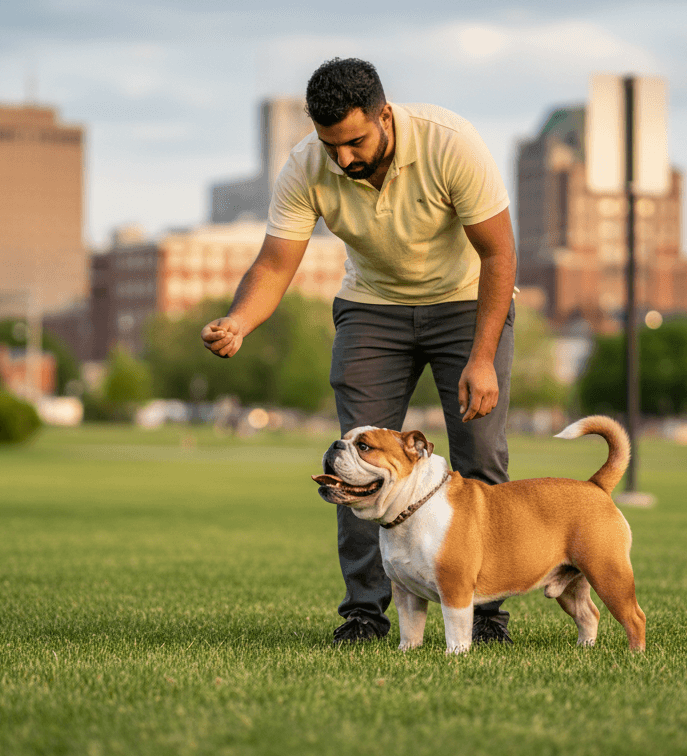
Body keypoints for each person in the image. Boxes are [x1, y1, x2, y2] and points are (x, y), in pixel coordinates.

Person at [201, 58, 517, 645]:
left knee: (480, 455)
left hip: (465, 303)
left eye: (354, 141)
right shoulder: (305, 166)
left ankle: (485, 613)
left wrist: (482, 357)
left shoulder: (452, 145)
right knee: (356, 464)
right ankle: (365, 615)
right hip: (372, 309)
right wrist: (240, 321)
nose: (343, 158)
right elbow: (274, 263)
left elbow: (499, 254)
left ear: (384, 115)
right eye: (331, 145)